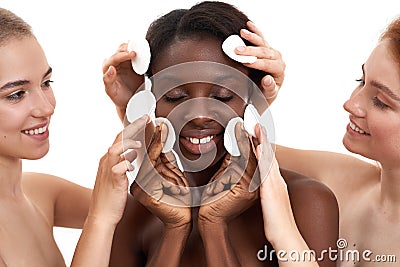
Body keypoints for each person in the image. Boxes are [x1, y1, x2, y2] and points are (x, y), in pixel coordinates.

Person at [102, 1, 339, 266]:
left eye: (223, 96)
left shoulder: (306, 202)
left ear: (252, 99)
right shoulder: (133, 210)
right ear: (152, 100)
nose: (199, 115)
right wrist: (175, 230)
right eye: (175, 96)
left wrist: (214, 226)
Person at [0, 7, 143, 266]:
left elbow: (150, 216)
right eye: (16, 94)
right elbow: (109, 215)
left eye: (46, 83)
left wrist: (134, 111)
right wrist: (99, 219)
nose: (46, 107)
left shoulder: (39, 191)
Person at [275, 17, 400, 265]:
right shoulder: (341, 180)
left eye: (380, 101)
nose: (350, 104)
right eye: (360, 81)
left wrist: (284, 232)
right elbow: (234, 151)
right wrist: (253, 93)